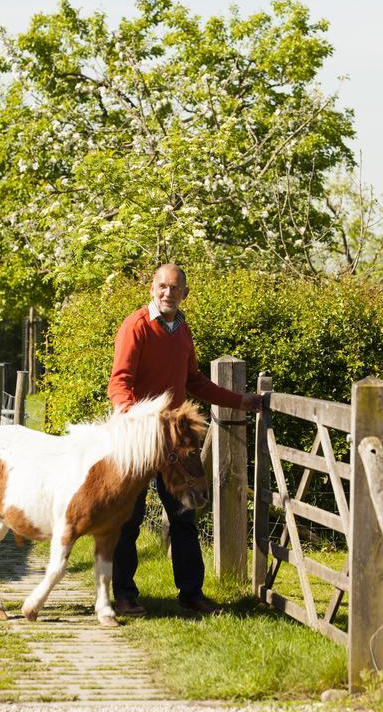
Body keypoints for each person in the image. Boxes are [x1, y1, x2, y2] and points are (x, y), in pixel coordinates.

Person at [108, 263, 262, 616]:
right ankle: (125, 595)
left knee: (184, 516)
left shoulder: (182, 330)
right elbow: (119, 382)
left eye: (175, 288)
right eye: (162, 286)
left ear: (185, 293)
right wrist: (136, 420)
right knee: (128, 520)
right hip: (140, 439)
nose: (168, 293)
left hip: (175, 442)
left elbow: (194, 381)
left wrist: (240, 401)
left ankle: (191, 593)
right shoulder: (136, 327)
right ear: (152, 288)